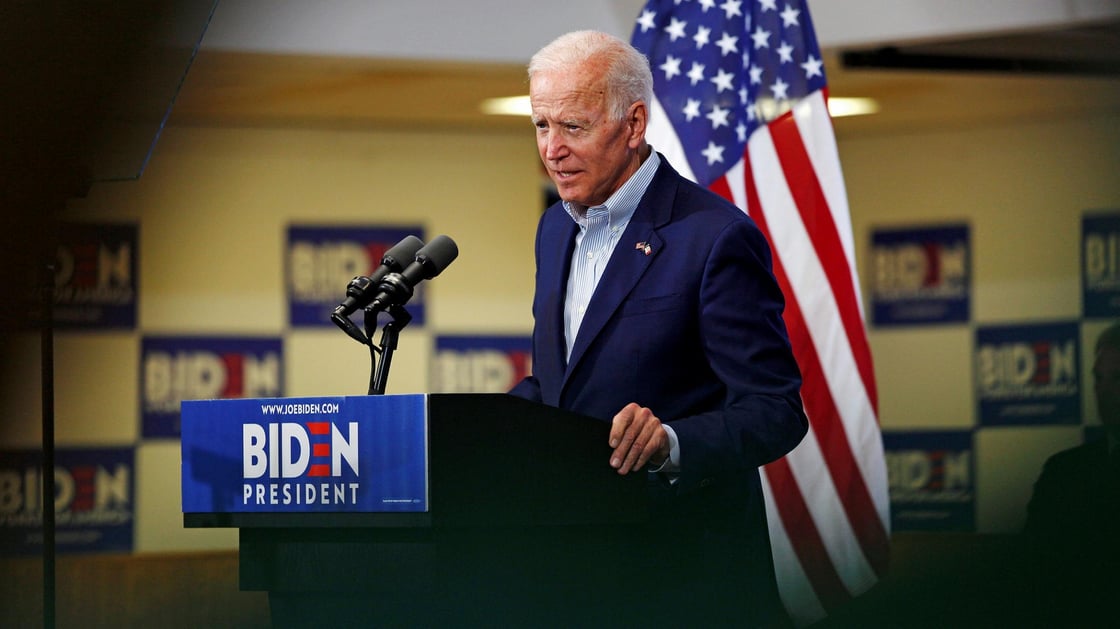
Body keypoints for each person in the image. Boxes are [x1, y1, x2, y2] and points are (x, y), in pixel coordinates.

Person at [509, 30, 808, 627]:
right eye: (542, 126)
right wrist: (492, 426)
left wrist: (671, 443)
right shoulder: (553, 229)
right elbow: (559, 388)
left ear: (633, 124)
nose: (552, 149)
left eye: (573, 126)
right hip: (572, 575)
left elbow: (776, 409)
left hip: (687, 579)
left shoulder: (715, 237)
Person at [1021, 321, 1120, 624]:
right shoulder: (1062, 473)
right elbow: (1035, 578)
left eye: (1117, 378)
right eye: (1098, 378)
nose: (1102, 391)